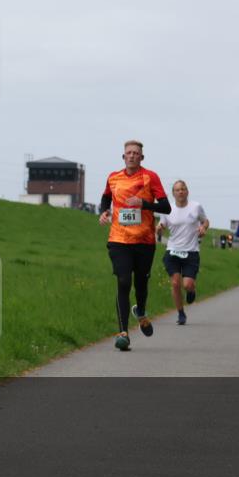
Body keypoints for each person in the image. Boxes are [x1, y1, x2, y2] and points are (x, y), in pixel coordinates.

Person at [98, 140, 171, 351]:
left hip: (144, 241)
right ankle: (123, 333)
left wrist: (144, 204)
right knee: (123, 281)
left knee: (141, 283)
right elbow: (105, 198)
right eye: (128, 153)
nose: (132, 156)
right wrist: (104, 211)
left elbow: (166, 207)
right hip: (119, 239)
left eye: (136, 153)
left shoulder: (151, 177)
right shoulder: (113, 177)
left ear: (141, 157)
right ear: (123, 157)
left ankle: (141, 311)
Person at [156, 180, 209, 325]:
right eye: (177, 190)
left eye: (183, 189)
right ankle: (180, 313)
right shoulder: (167, 209)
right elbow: (162, 224)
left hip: (191, 251)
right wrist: (159, 228)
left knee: (187, 285)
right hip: (172, 250)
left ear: (187, 191)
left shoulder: (196, 207)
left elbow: (205, 221)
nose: (180, 192)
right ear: (173, 193)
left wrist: (203, 228)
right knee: (175, 283)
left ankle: (191, 291)